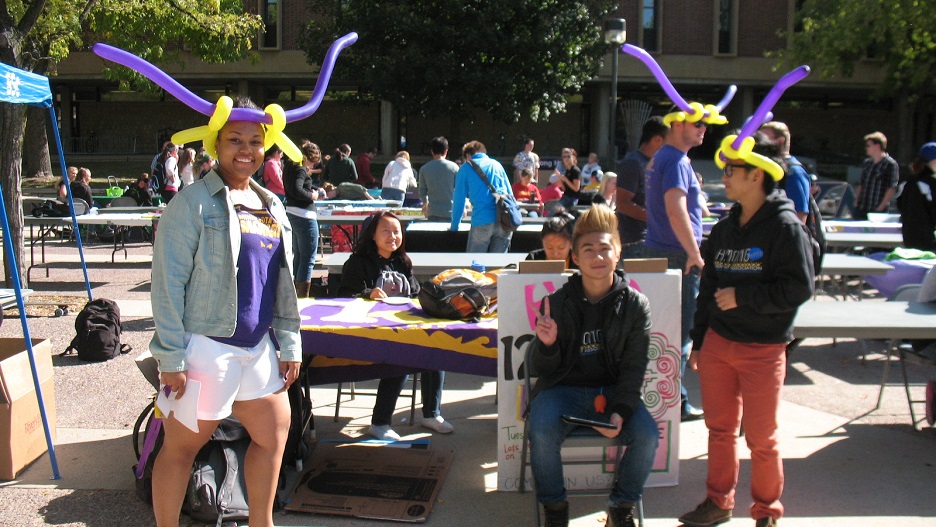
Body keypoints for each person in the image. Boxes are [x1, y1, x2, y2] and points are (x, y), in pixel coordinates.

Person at [149, 96, 301, 527]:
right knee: (181, 447)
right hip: (205, 347)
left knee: (273, 436)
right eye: (235, 139)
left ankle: (261, 522)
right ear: (216, 143)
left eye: (255, 141)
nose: (245, 150)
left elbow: (282, 282)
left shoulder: (272, 205)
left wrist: (289, 342)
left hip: (257, 347)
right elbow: (167, 285)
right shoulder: (191, 203)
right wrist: (171, 358)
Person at [678, 132, 815, 527]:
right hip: (719, 344)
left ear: (757, 175)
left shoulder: (786, 227)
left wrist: (745, 297)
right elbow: (708, 290)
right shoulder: (724, 229)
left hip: (763, 349)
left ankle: (766, 513)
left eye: (731, 170)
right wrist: (700, 342)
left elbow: (798, 288)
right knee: (719, 430)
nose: (724, 177)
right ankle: (718, 503)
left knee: (761, 439)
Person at [527, 204, 659, 527]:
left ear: (618, 253)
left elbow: (634, 367)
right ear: (575, 256)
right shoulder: (557, 302)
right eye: (588, 249)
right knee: (540, 428)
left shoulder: (635, 305)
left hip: (613, 390)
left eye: (605, 249)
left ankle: (621, 506)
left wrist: (621, 409)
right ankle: (555, 510)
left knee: (648, 435)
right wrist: (548, 345)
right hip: (564, 391)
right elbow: (543, 370)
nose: (597, 257)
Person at [336, 211, 453, 439]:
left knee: (437, 349)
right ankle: (380, 423)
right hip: (368, 333)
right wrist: (368, 293)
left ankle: (431, 414)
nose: (393, 236)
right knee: (403, 355)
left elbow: (416, 292)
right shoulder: (358, 263)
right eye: (386, 231)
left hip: (401, 328)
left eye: (396, 231)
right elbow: (343, 295)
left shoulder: (402, 261)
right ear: (372, 235)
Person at [643, 113, 707, 422]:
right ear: (677, 123)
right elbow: (675, 207)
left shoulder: (661, 158)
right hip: (679, 256)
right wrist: (694, 253)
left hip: (662, 251)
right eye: (698, 123)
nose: (704, 129)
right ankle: (676, 403)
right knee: (678, 334)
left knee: (664, 331)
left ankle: (665, 398)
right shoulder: (677, 161)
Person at [616, 116, 668, 258]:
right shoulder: (633, 163)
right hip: (635, 242)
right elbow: (622, 203)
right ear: (658, 139)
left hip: (653, 238)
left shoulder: (657, 163)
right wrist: (656, 218)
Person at [451, 140, 515, 252]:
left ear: (467, 156)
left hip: (482, 220)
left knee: (475, 264)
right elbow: (510, 194)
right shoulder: (497, 165)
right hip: (504, 221)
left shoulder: (465, 168)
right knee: (498, 266)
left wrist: (454, 226)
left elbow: (459, 200)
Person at [284, 141, 329, 297]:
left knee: (298, 256)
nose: (312, 166)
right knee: (308, 259)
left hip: (291, 212)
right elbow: (297, 189)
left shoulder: (289, 166)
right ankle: (302, 297)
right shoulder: (300, 168)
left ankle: (293, 296)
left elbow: (292, 188)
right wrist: (313, 195)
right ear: (311, 157)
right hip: (304, 215)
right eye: (313, 162)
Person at [759, 121, 810, 223]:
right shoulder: (768, 167)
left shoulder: (794, 171)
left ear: (781, 141)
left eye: (765, 138)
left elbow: (800, 213)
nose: (761, 143)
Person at [895, 142, 936, 252]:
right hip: (927, 241)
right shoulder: (930, 183)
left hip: (908, 237)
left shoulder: (908, 181)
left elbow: (899, 205)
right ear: (932, 160)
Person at [853, 131, 899, 220]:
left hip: (877, 210)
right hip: (862, 208)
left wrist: (881, 207)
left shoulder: (890, 164)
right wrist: (856, 200)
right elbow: (861, 183)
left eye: (868, 145)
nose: (866, 148)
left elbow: (892, 188)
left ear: (877, 146)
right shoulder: (867, 163)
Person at [418, 136, 458, 222]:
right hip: (451, 212)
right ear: (446, 151)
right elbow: (460, 190)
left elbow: (422, 191)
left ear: (432, 151)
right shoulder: (454, 167)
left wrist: (425, 203)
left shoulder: (424, 169)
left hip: (433, 212)